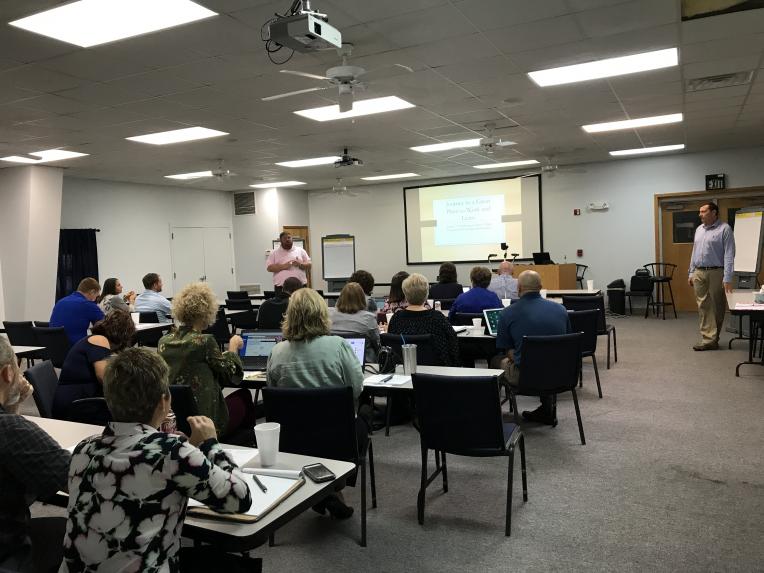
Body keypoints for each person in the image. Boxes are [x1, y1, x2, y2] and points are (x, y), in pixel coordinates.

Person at [61, 347, 252, 572]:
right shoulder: (171, 451)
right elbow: (240, 499)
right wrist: (211, 444)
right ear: (164, 402)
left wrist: (189, 450)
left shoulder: (84, 449)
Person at [267, 288, 364, 519]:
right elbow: (357, 388)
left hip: (292, 439)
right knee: (364, 421)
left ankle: (323, 491)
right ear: (322, 314)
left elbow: (272, 391)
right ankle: (334, 486)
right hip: (338, 438)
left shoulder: (277, 351)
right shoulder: (338, 346)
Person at [0, 338, 71, 573]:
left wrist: (11, 403)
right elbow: (74, 479)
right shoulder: (13, 431)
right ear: (8, 373)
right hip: (9, 552)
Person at [158, 282, 253, 440]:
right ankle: (241, 445)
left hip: (175, 420)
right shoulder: (205, 341)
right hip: (205, 422)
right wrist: (233, 348)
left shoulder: (163, 342)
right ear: (207, 312)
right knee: (244, 395)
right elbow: (230, 373)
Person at [494, 270, 571, 425]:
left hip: (526, 377)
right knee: (546, 356)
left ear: (518, 288)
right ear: (540, 287)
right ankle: (547, 409)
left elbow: (504, 347)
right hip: (561, 374)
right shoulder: (561, 310)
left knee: (496, 360)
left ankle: (494, 414)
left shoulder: (507, 313)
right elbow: (568, 341)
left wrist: (515, 354)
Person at [53, 309, 136, 420]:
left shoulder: (96, 341)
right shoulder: (100, 340)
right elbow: (104, 377)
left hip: (79, 400)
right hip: (75, 405)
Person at [688, 201, 736, 351]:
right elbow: (694, 251)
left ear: (714, 213)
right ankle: (708, 339)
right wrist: (691, 272)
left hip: (716, 271)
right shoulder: (699, 229)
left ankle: (713, 339)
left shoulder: (725, 229)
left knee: (717, 305)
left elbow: (729, 254)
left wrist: (727, 277)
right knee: (702, 305)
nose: (700, 214)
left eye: (703, 211)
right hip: (699, 271)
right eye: (700, 212)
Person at [387, 273, 460, 367]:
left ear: (405, 294)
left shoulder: (396, 319)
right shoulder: (437, 318)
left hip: (404, 369)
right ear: (427, 294)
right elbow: (453, 344)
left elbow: (392, 347)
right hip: (437, 371)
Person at [329, 282, 381, 362]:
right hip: (364, 363)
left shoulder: (329, 315)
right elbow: (377, 344)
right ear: (362, 299)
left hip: (334, 361)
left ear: (341, 297)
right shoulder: (368, 318)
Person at [50, 277, 105, 344]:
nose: (95, 299)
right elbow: (107, 324)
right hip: (75, 347)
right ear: (92, 292)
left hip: (53, 346)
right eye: (96, 296)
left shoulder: (60, 302)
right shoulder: (87, 304)